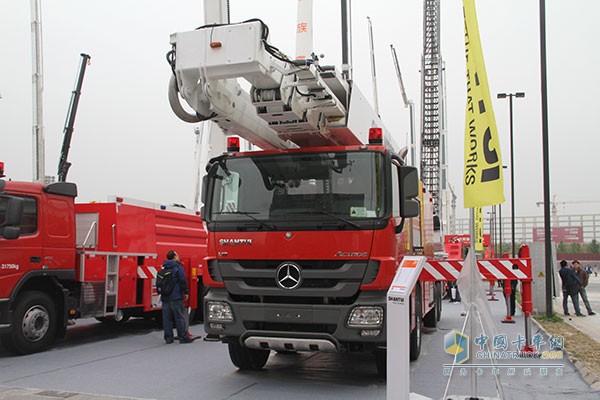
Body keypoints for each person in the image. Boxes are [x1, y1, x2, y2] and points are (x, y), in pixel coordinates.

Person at [160, 250, 194, 344]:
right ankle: (183, 337)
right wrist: (186, 292)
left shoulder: (164, 268)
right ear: (174, 257)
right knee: (179, 317)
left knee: (167, 319)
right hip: (176, 297)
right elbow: (183, 280)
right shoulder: (178, 268)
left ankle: (168, 338)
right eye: (177, 255)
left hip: (165, 297)